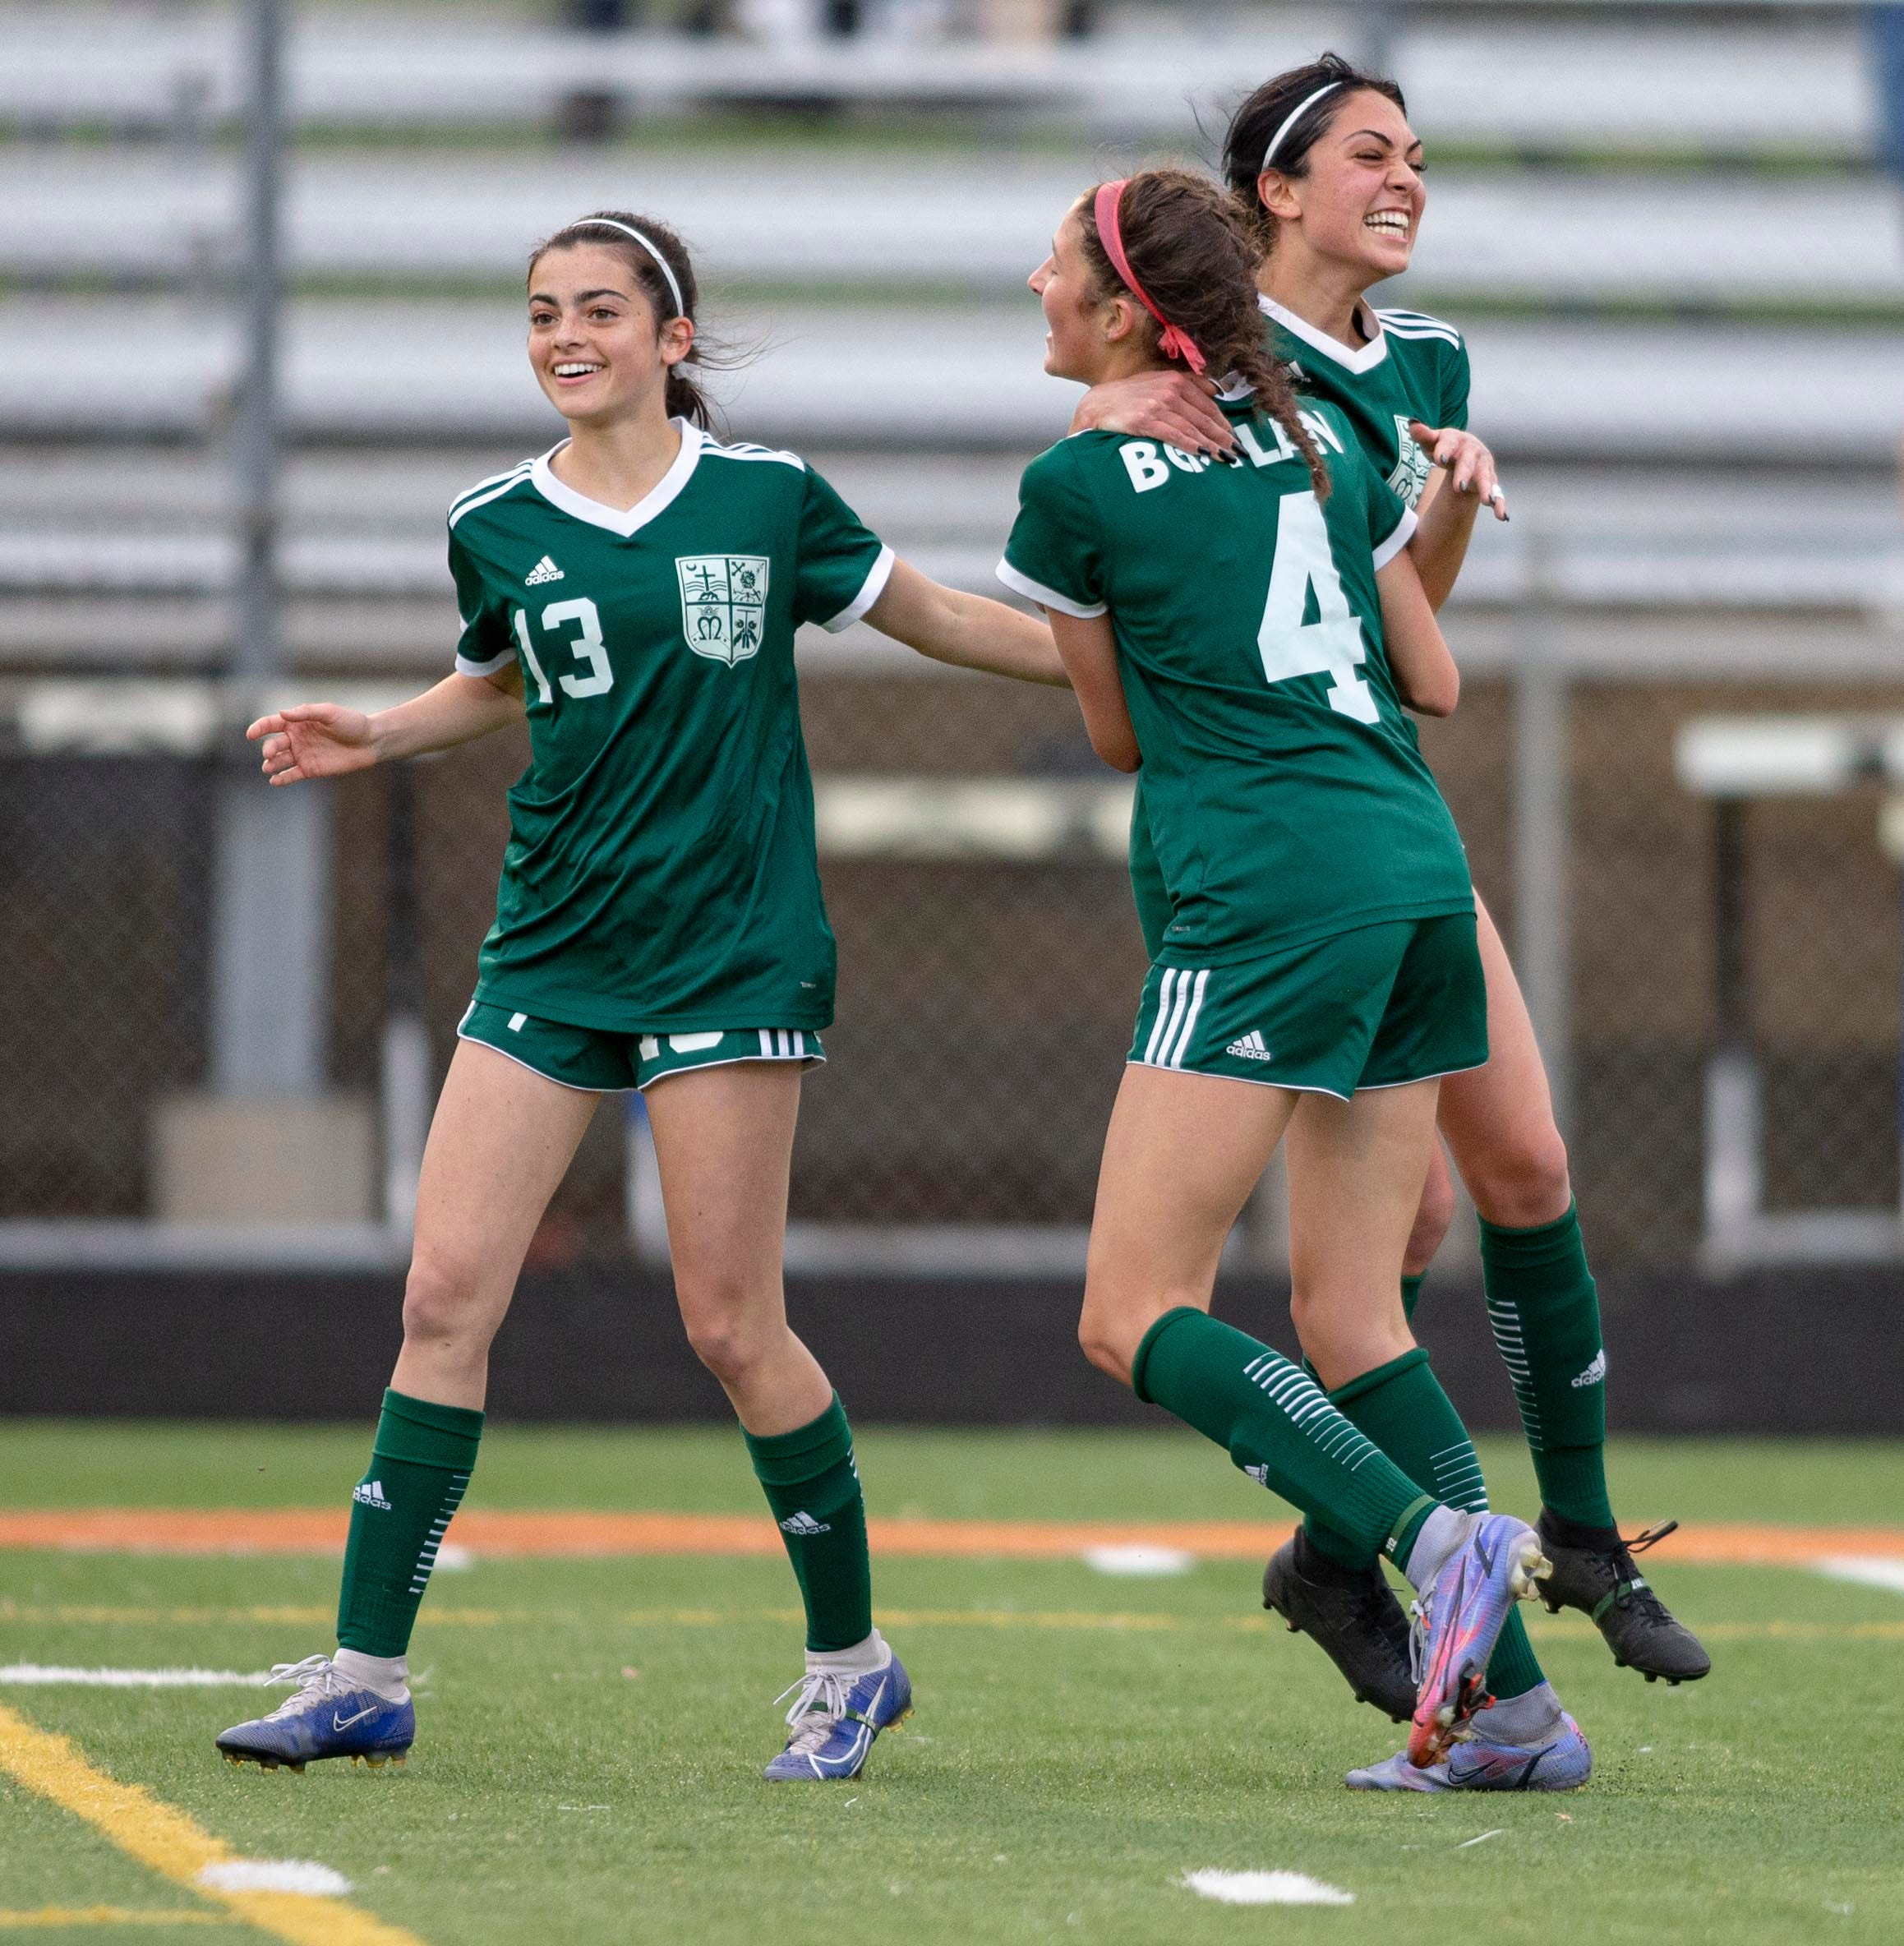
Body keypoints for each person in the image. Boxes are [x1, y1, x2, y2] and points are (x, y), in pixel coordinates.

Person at [214, 210, 1067, 1784]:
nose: (562, 335)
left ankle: (850, 1665)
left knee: (732, 1327)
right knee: (442, 1298)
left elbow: (931, 613)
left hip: (730, 947)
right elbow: (514, 673)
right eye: (540, 310)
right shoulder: (491, 522)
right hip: (551, 943)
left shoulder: (767, 497)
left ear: (673, 339)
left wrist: (1111, 675)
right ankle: (363, 1676)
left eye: (598, 308)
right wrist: (379, 733)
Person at [1069, 55, 1710, 1755]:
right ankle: (1434, 1595)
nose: (1408, 180)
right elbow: (1342, 634)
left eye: (1417, 156)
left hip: (1316, 841)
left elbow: (1375, 633)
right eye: (1373, 154)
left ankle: (1501, 1544)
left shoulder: (1400, 367)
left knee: (1491, 1187)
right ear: (1272, 192)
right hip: (1355, 836)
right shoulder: (1206, 384)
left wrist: (1432, 514)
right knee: (1373, 1271)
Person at [999, 167, 1570, 1784]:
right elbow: (1433, 673)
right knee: (1351, 1306)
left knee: (1130, 1311)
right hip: (1412, 869)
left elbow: (1116, 735)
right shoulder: (1320, 436)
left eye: (1054, 264)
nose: (1033, 284)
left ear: (1120, 310)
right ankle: (1515, 1711)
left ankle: (1427, 1541)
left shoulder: (1073, 481)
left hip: (1263, 888)